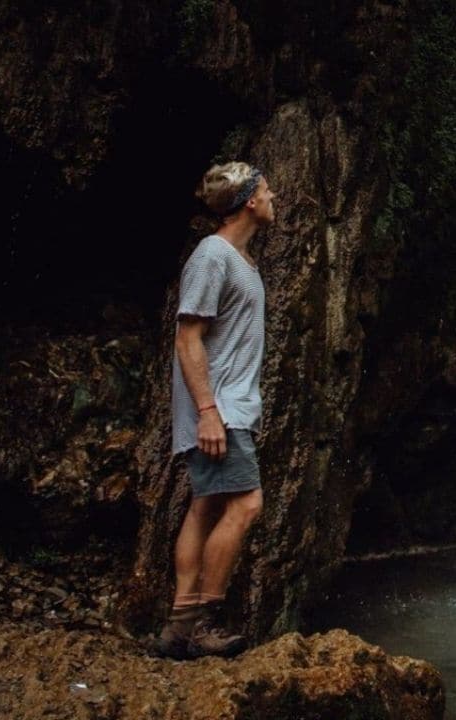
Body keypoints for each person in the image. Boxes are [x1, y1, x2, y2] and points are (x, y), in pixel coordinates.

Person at [154, 161, 276, 659]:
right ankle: (202, 622)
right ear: (249, 201)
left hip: (229, 406)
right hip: (219, 408)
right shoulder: (213, 255)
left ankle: (178, 629)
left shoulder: (241, 261)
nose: (275, 197)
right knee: (247, 505)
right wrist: (207, 410)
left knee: (206, 507)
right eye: (267, 190)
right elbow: (187, 338)